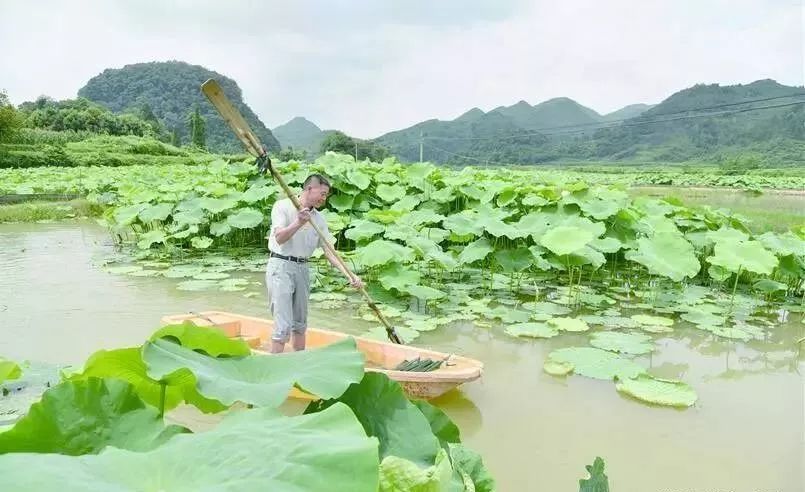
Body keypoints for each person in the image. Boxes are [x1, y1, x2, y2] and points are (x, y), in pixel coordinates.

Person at [266, 173, 363, 353]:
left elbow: (330, 252)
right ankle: (273, 369)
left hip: (302, 268)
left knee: (300, 324)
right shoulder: (283, 206)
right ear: (309, 189)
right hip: (281, 266)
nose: (324, 199)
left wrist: (350, 276)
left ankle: (300, 366)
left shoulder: (319, 219)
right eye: (323, 194)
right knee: (282, 326)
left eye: (326, 195)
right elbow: (279, 238)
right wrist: (298, 222)